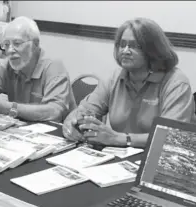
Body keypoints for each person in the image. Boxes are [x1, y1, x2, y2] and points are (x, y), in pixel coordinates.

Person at [63, 17, 195, 148]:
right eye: (122, 44)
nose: (125, 51)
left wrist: (119, 139)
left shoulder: (176, 83)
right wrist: (70, 122)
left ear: (153, 50)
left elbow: (170, 137)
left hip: (158, 159)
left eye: (134, 46)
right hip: (120, 156)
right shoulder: (114, 77)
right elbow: (84, 111)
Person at [0, 16, 76, 122]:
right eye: (6, 44)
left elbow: (54, 112)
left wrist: (9, 108)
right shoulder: (8, 65)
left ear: (35, 44)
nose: (10, 50)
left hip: (59, 135)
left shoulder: (53, 66)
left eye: (17, 44)